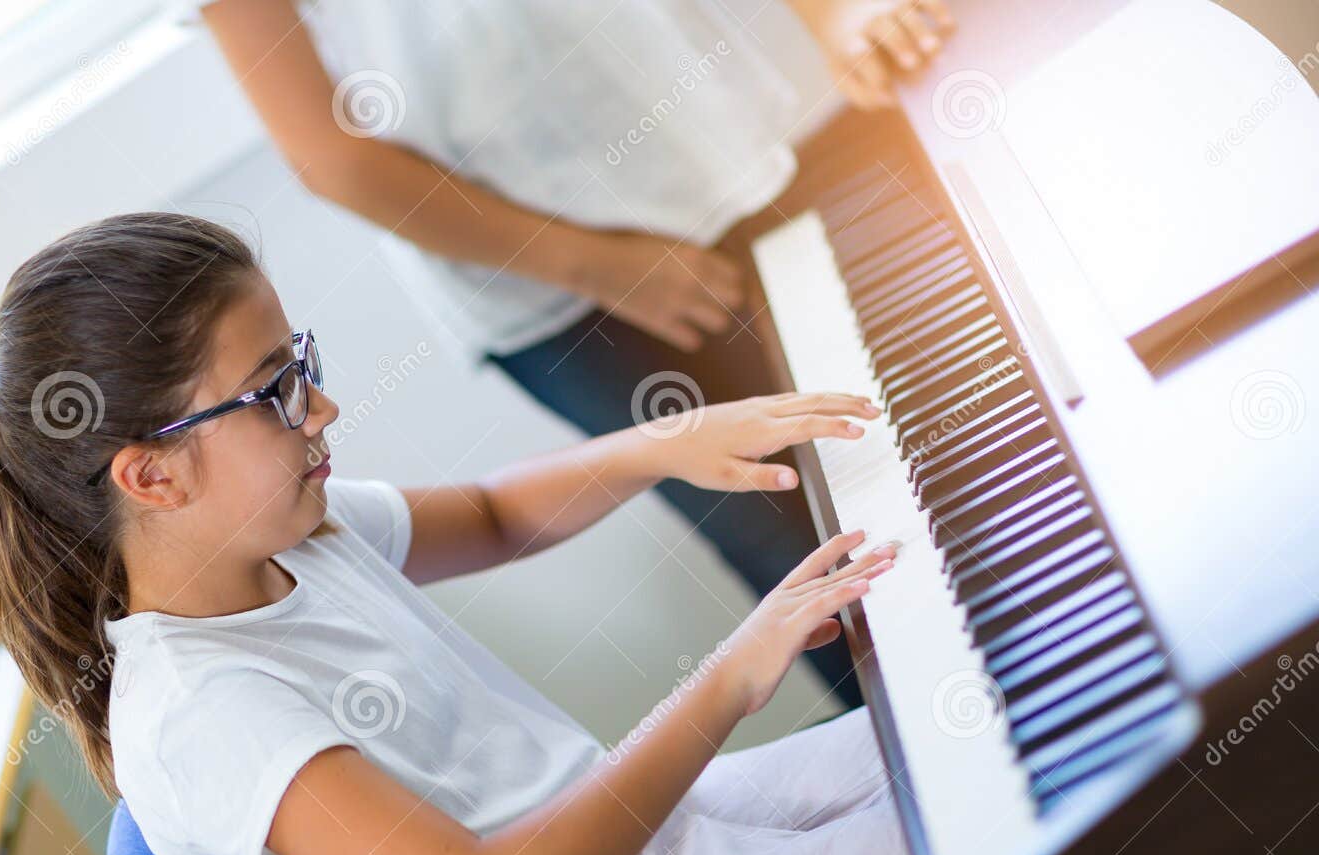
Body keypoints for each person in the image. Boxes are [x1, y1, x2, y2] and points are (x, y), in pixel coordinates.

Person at [0, 212, 922, 855]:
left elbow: (494, 514)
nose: (320, 406)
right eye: (275, 387)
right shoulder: (205, 716)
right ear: (153, 477)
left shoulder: (294, 537)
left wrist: (665, 443)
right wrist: (730, 675)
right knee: (985, 851)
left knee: (969, 727)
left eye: (304, 362)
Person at [187, 0, 955, 706]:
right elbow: (337, 158)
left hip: (768, 129)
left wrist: (835, 17)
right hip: (576, 295)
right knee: (809, 547)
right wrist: (604, 267)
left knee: (952, 420)